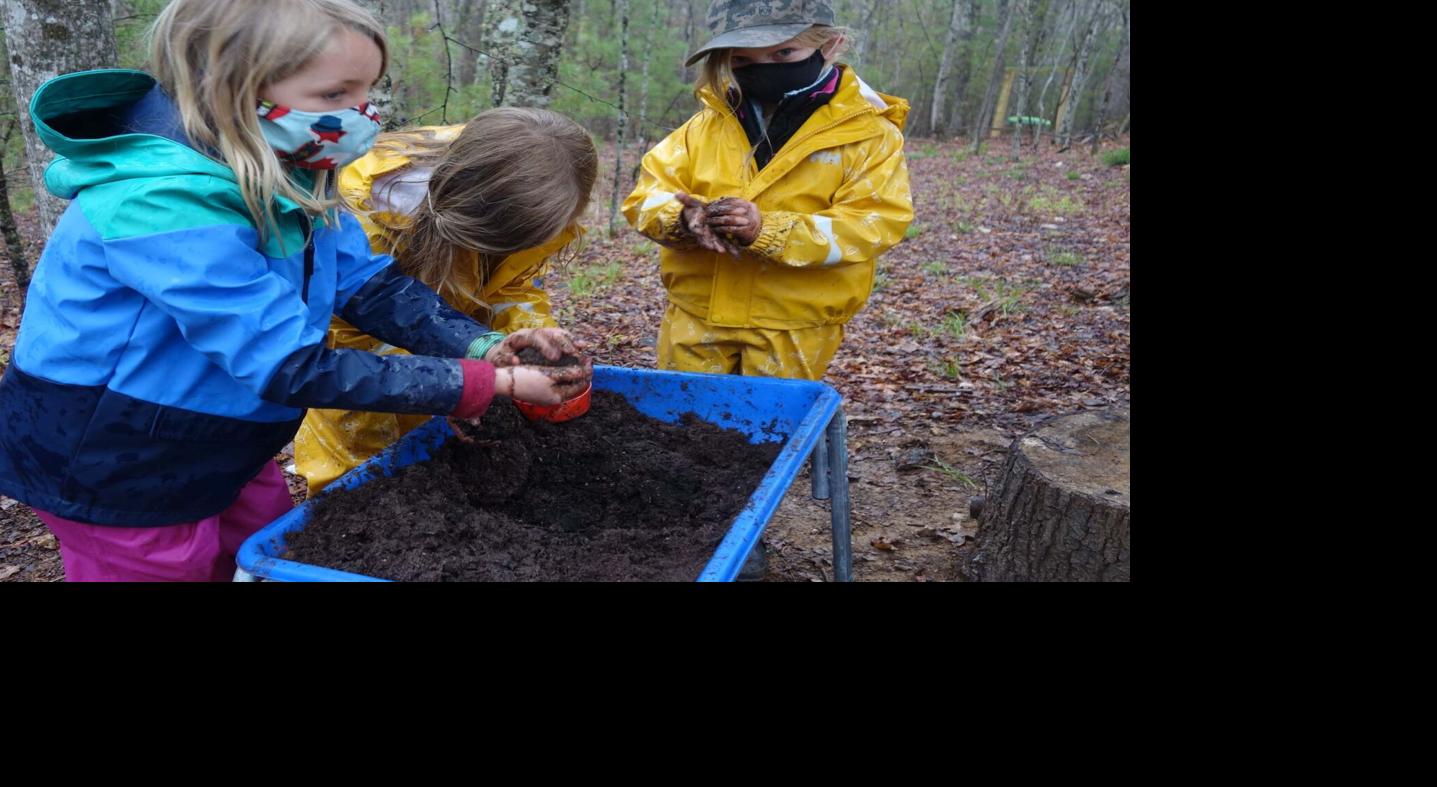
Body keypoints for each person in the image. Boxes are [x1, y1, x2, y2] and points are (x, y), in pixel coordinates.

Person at [0, 0, 588, 582]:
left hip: (220, 435)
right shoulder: (160, 205)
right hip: (116, 458)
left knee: (267, 551)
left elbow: (367, 285)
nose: (360, 114)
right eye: (335, 96)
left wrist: (480, 346)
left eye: (364, 93)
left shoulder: (292, 171)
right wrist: (491, 385)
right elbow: (288, 365)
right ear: (233, 87)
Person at [621, 0, 914, 578]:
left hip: (792, 323)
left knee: (760, 439)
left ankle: (744, 541)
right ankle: (694, 536)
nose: (766, 66)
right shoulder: (702, 127)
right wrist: (683, 221)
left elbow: (876, 223)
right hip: (696, 314)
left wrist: (769, 230)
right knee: (684, 429)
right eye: (746, 58)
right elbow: (645, 197)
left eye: (784, 53)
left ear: (829, 45)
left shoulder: (868, 137)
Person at [295, 107, 598, 496]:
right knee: (359, 484)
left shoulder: (546, 188)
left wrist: (517, 341)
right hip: (361, 375)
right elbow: (355, 332)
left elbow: (512, 287)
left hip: (461, 354)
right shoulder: (364, 211)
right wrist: (457, 385)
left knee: (447, 475)